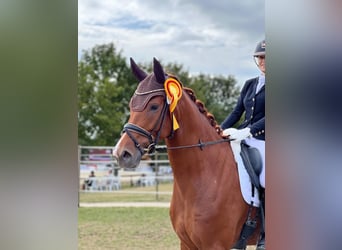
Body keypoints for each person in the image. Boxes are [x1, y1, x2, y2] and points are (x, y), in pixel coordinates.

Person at [221, 39, 265, 250]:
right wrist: (219, 130)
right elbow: (237, 112)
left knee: (266, 176)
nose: (264, 61)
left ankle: (266, 233)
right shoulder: (250, 84)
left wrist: (249, 130)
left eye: (268, 58)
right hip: (244, 138)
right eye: (261, 58)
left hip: (267, 140)